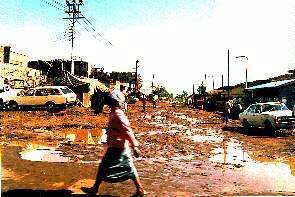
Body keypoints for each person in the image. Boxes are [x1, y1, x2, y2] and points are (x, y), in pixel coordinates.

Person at [81, 89, 146, 196]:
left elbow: (127, 130)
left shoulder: (118, 114)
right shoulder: (115, 113)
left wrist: (135, 146)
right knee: (128, 167)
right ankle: (140, 189)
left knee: (104, 167)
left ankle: (95, 189)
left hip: (117, 147)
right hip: (118, 146)